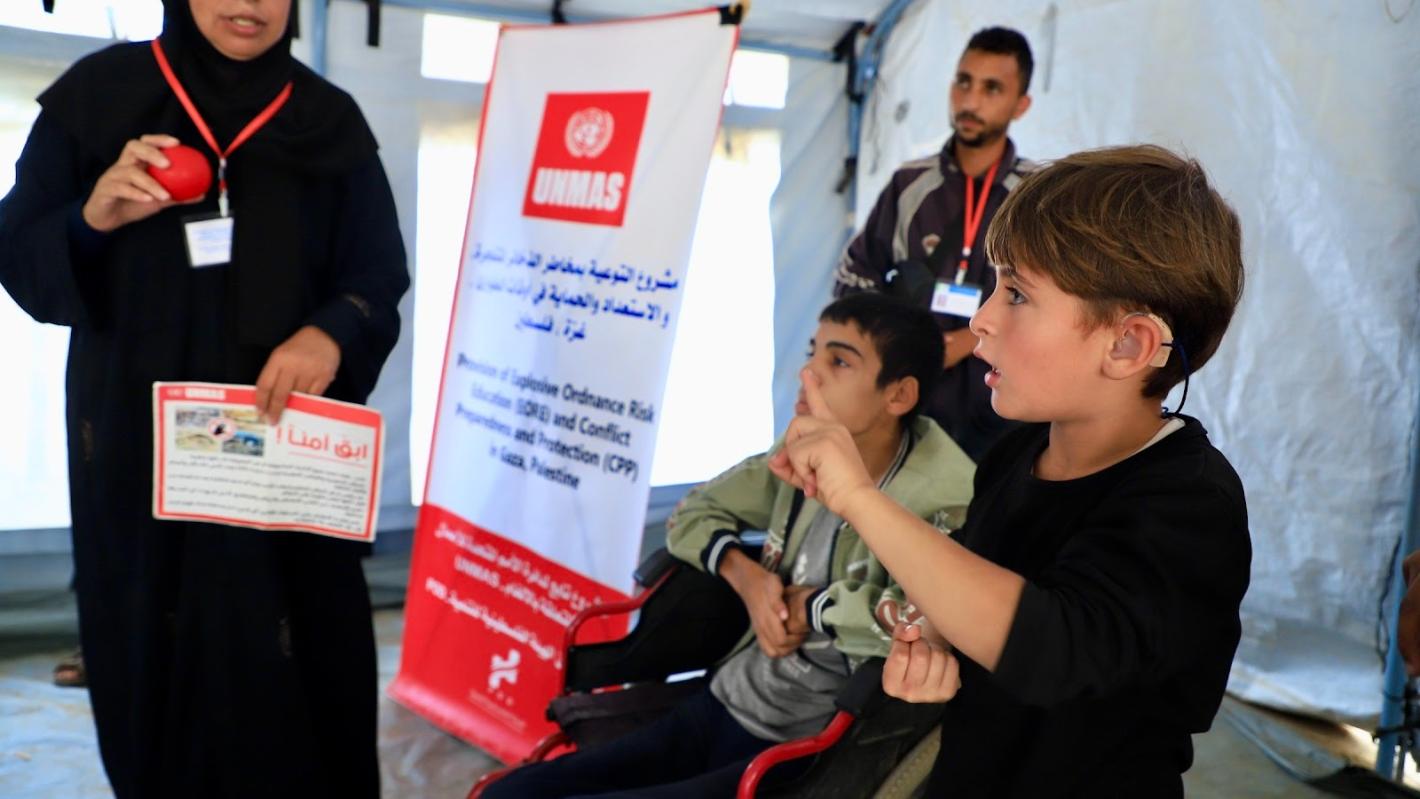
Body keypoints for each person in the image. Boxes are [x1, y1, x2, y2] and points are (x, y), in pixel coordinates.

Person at [0, 0, 408, 795]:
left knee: (298, 645)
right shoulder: (102, 93)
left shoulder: (327, 119)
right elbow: (17, 246)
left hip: (283, 433)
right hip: (134, 435)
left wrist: (331, 333)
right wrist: (90, 218)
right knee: (152, 640)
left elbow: (377, 273)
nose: (249, 5)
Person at [773, 145, 1250, 796]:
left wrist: (856, 493)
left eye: (1018, 293)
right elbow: (987, 601)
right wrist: (933, 632)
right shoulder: (1011, 454)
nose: (982, 318)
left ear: (1128, 345)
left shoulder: (1190, 503)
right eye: (995, 285)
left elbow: (1053, 645)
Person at [482, 293, 976, 798]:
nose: (808, 374)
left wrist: (817, 608)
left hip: (811, 750)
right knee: (507, 793)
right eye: (812, 352)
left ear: (898, 395)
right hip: (729, 695)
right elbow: (692, 513)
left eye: (839, 361)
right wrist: (750, 579)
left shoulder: (950, 496)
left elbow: (931, 621)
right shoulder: (804, 448)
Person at [834, 26, 1037, 461]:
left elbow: (1061, 305)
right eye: (963, 82)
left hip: (1003, 419)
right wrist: (897, 341)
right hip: (902, 411)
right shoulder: (910, 184)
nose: (970, 100)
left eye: (992, 88)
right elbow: (853, 278)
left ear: (1021, 105)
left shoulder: (1038, 195)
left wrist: (968, 339)